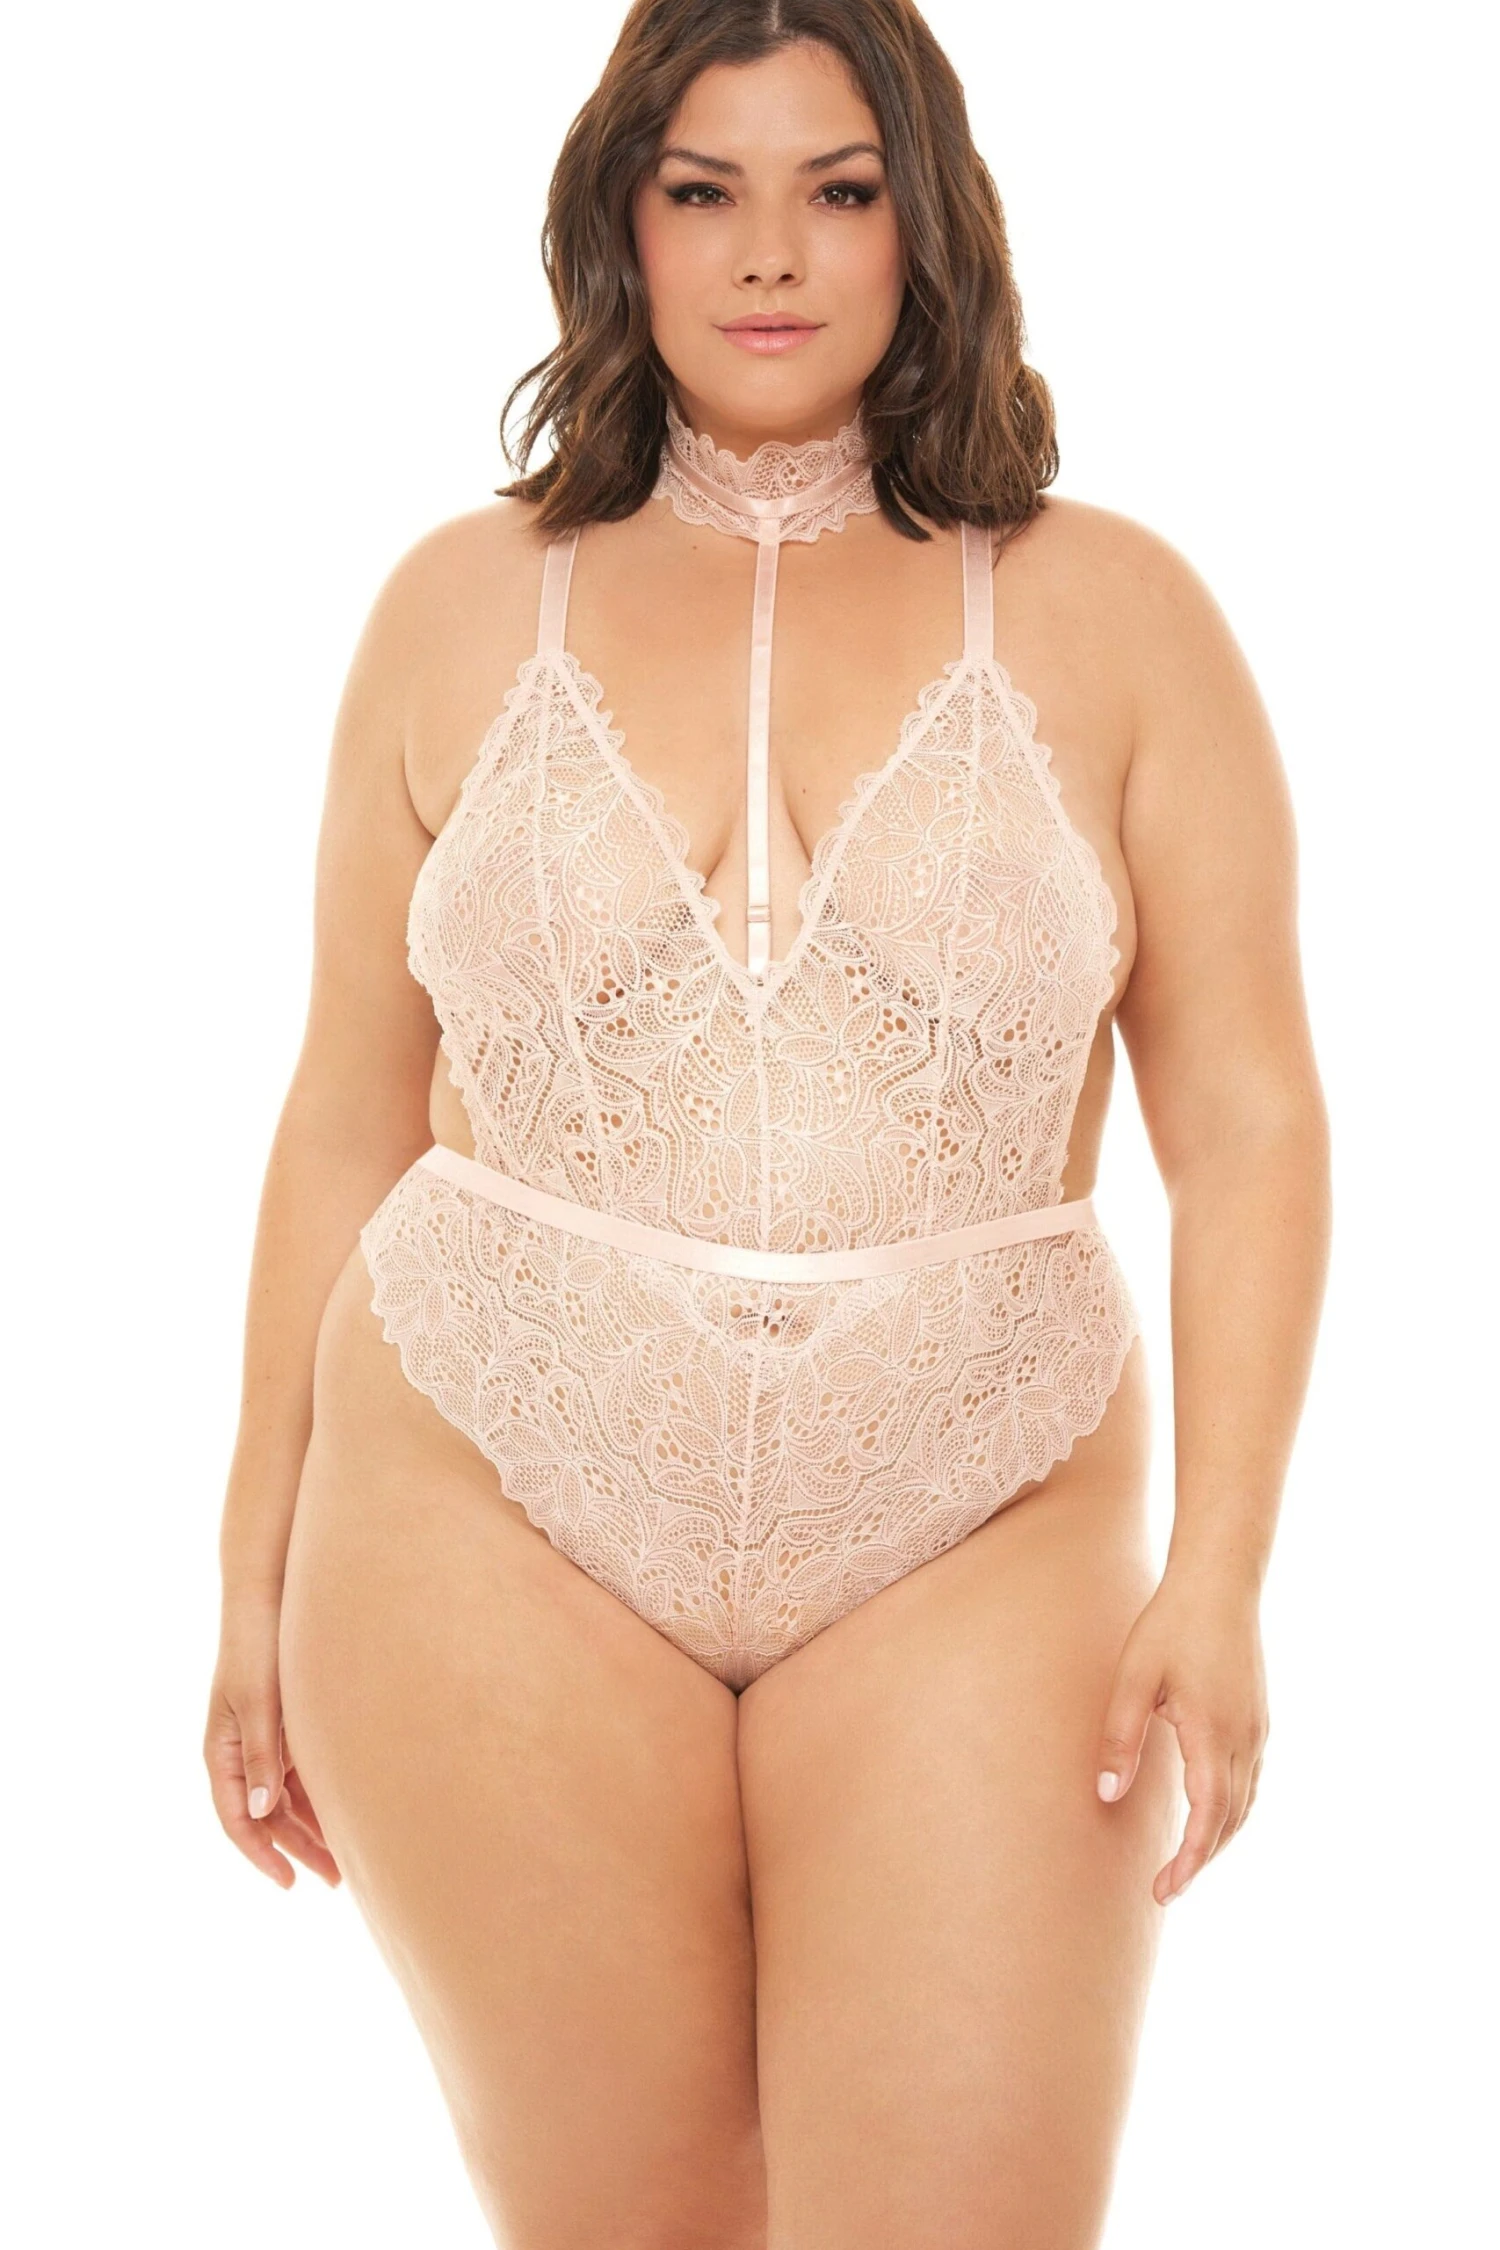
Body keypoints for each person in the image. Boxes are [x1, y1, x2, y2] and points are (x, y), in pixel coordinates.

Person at [204, 3, 1331, 2243]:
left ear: (929, 216)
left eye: (840, 188)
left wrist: (1222, 1573)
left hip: (979, 1506)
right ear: (619, 222)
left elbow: (1251, 1120)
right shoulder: (453, 607)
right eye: (702, 189)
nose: (770, 253)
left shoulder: (1119, 614)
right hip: (486, 1487)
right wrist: (247, 1572)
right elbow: (344, 1107)